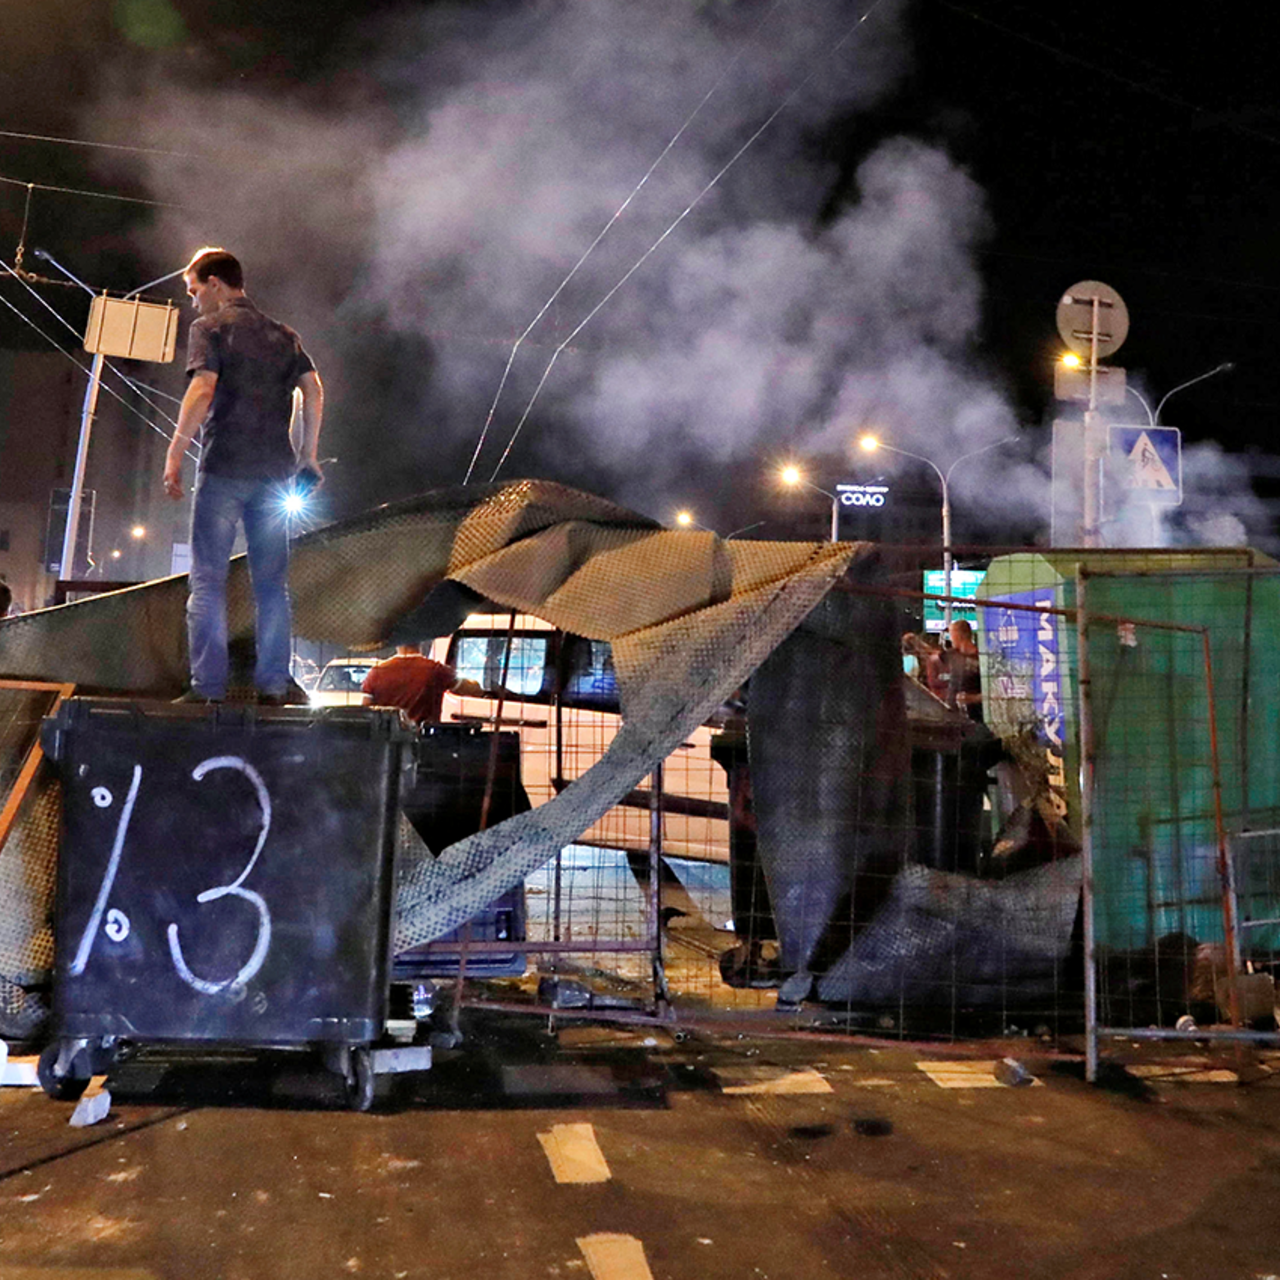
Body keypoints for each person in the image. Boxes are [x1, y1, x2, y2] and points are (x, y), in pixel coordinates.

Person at [163, 248, 324, 704]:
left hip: (223, 471)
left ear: (215, 283)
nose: (194, 302)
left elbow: (202, 388)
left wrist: (175, 452)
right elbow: (313, 390)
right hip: (275, 477)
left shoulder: (209, 329)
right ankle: (273, 684)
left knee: (209, 581)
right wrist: (308, 454)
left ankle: (207, 689)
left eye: (195, 291)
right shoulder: (283, 335)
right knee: (272, 585)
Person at [361, 644, 458, 726]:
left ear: (396, 643)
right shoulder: (435, 670)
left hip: (388, 740)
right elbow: (463, 686)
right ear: (421, 642)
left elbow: (366, 710)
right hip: (424, 739)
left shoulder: (376, 672)